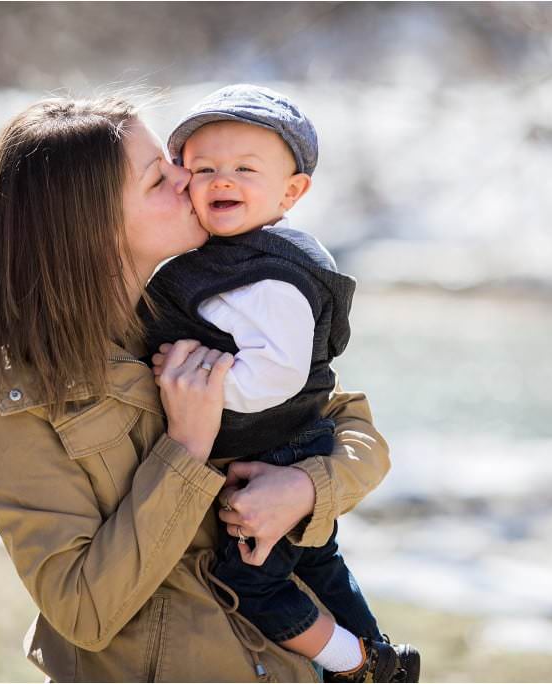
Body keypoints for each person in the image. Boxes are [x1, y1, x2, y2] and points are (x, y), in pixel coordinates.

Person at [0, 95, 393, 682]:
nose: (192, 178)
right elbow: (83, 610)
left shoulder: (192, 310)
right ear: (91, 222)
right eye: (160, 176)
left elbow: (348, 423)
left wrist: (305, 487)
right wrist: (184, 446)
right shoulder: (11, 399)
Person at [140, 84, 419, 683]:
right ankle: (382, 658)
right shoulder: (233, 259)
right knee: (320, 564)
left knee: (251, 579)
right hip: (286, 445)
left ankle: (355, 661)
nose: (222, 180)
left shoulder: (268, 275)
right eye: (204, 167)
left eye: (245, 169)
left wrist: (199, 391)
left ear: (291, 192)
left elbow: (278, 374)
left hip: (281, 448)